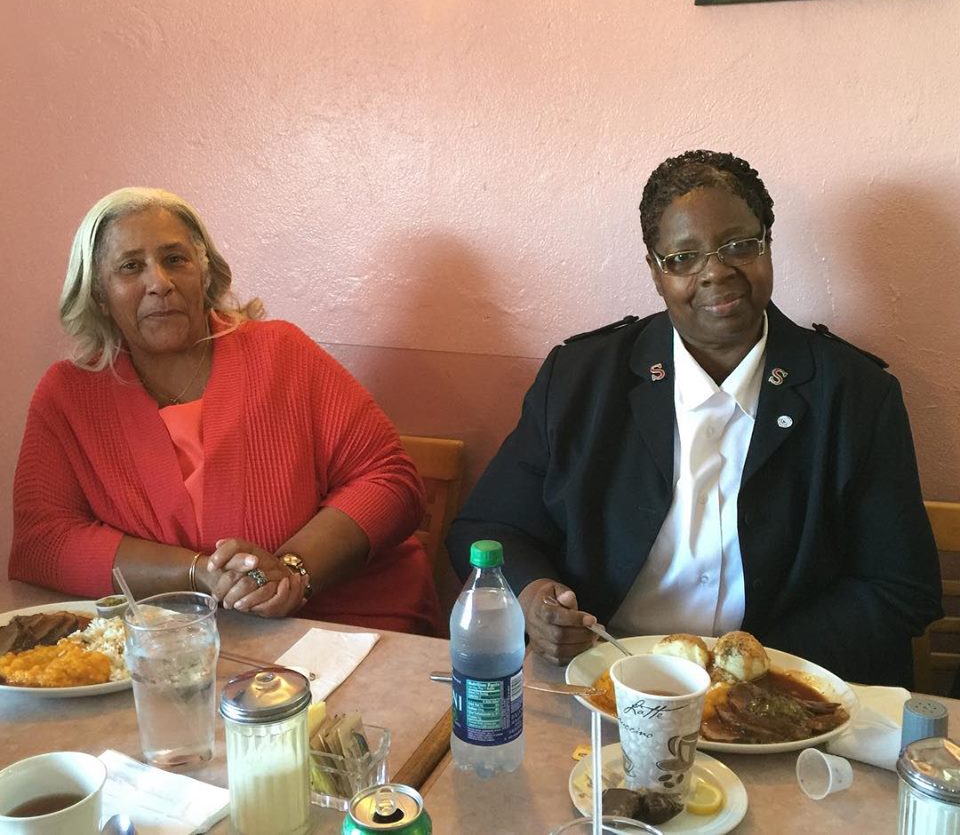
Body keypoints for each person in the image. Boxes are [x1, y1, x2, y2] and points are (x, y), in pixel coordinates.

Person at [447, 150, 941, 686]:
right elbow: (490, 527)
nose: (716, 272)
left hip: (777, 689)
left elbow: (900, 588)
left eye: (739, 246)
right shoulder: (581, 380)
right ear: (655, 272)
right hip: (603, 675)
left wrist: (756, 667)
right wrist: (532, 598)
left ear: (767, 244)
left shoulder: (854, 394)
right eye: (683, 257)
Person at [11, 187, 441, 635]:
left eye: (175, 259)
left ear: (204, 273)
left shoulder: (281, 353)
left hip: (342, 624)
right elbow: (44, 542)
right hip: (173, 638)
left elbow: (389, 478)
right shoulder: (69, 394)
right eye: (131, 266)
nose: (159, 282)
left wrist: (292, 572)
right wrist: (198, 572)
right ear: (100, 294)